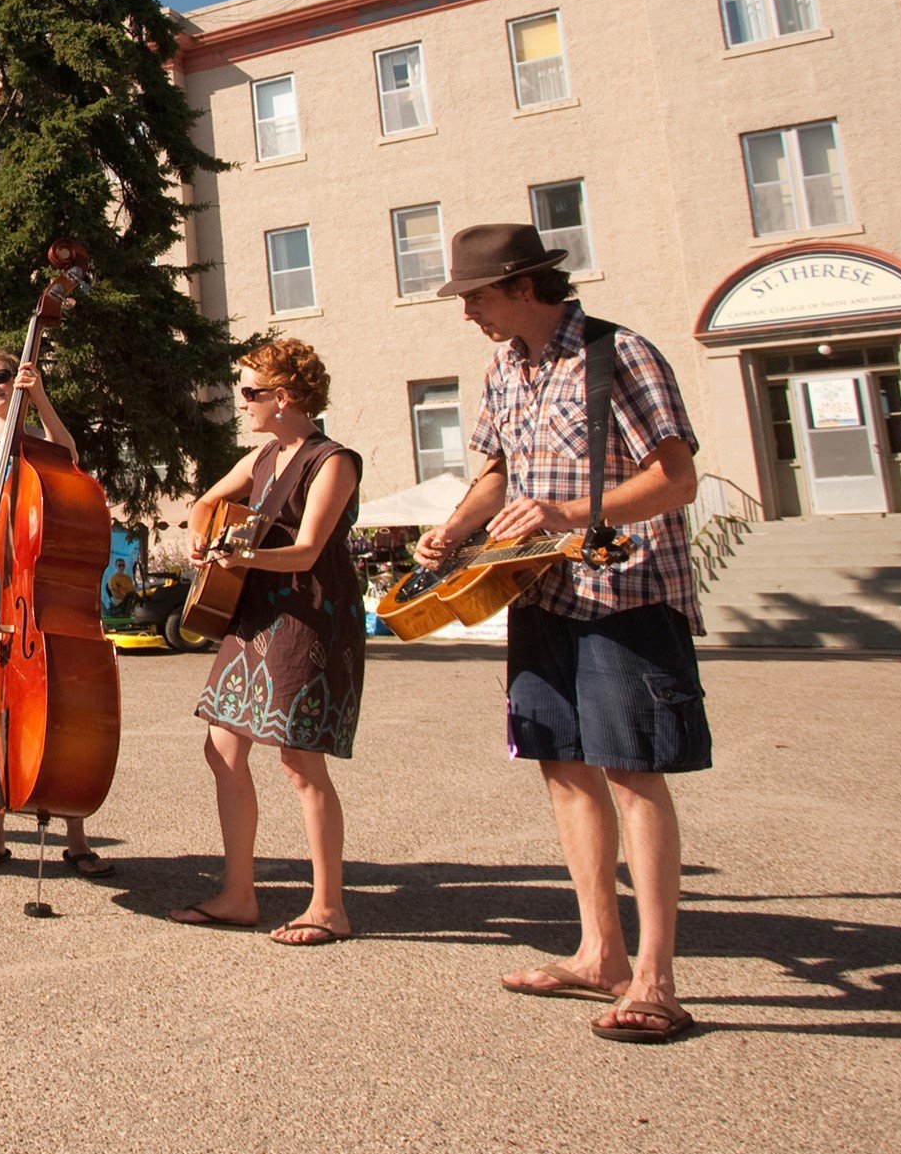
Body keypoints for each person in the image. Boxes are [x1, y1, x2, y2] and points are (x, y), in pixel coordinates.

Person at [412, 225, 710, 1044]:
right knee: (563, 767)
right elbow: (496, 475)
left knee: (633, 773)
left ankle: (655, 978)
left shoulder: (623, 354)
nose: (466, 310)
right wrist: (453, 529)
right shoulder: (503, 368)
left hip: (626, 594)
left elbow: (675, 477)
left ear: (520, 285)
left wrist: (568, 512)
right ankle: (599, 953)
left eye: (473, 295)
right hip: (536, 593)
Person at [170, 340, 365, 943]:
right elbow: (205, 503)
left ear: (283, 398)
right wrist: (204, 541)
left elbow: (308, 550)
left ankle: (328, 906)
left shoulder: (332, 460)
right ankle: (238, 894)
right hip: (251, 615)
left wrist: (244, 554)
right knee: (221, 747)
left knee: (299, 761)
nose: (242, 403)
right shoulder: (262, 457)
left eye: (250, 392)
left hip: (308, 617)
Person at [0, 351, 112, 875]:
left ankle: (75, 831)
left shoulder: (39, 444)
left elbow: (71, 455)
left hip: (34, 587)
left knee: (57, 697)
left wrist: (38, 396)